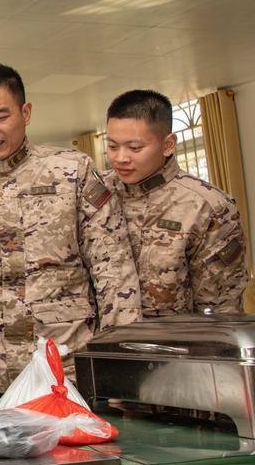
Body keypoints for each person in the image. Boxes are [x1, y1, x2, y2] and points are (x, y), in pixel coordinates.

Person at [0, 63, 141, 411]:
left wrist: (121, 366)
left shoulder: (72, 171)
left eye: (0, 115)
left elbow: (114, 272)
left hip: (63, 374)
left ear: (25, 113)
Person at [104, 89, 247, 316]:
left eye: (135, 148)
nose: (120, 158)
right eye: (112, 146)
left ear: (168, 144)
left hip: (175, 345)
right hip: (103, 346)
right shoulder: (96, 193)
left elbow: (219, 309)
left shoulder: (207, 206)